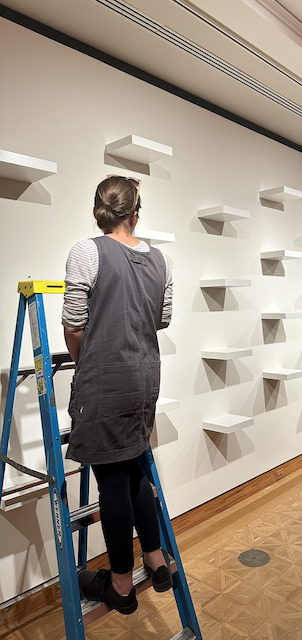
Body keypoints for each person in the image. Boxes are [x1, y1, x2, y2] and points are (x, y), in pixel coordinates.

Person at [62, 175, 173, 614]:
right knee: (135, 470)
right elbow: (161, 320)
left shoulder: (86, 251)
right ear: (134, 211)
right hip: (146, 379)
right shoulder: (160, 259)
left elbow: (74, 324)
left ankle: (123, 588)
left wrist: (88, 358)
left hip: (106, 382)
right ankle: (157, 562)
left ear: (99, 210)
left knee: (111, 479)